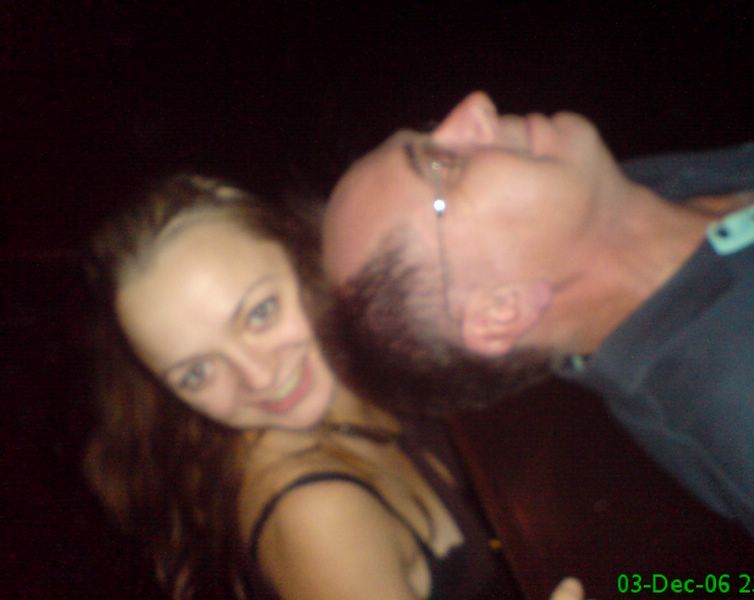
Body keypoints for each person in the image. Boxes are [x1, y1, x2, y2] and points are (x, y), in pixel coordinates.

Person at [320, 91, 754, 569]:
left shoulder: (630, 193)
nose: (475, 106)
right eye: (445, 165)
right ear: (501, 310)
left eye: (429, 132)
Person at [84, 173, 542, 599]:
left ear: (300, 250)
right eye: (196, 372)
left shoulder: (373, 345)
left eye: (260, 312)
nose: (259, 378)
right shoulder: (317, 514)